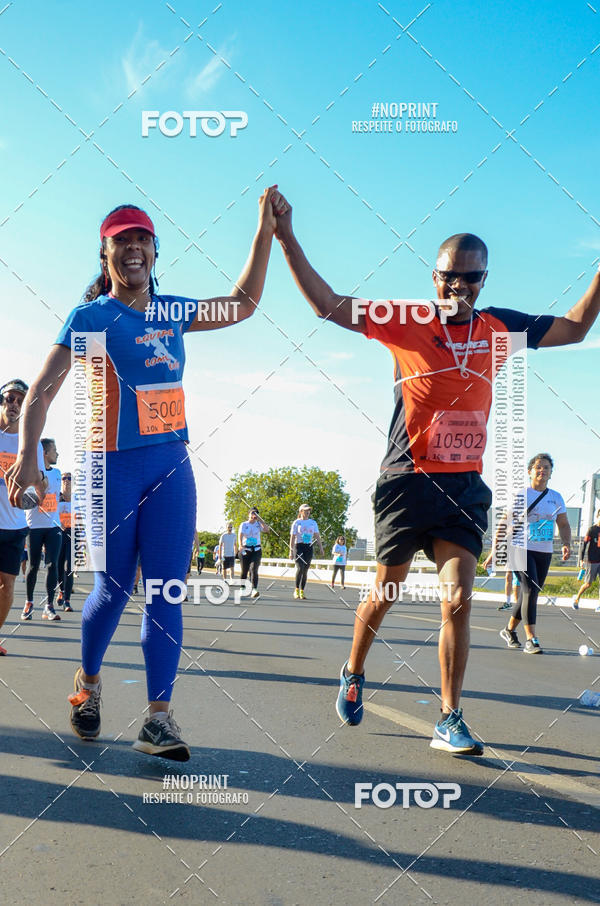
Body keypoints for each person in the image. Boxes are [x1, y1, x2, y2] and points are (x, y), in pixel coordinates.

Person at [274, 196, 600, 755]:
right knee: (387, 589)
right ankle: (353, 669)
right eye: (451, 276)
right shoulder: (405, 320)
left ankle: (450, 717)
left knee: (458, 600)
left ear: (484, 280)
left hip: (463, 486)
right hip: (406, 480)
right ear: (436, 276)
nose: (460, 288)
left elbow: (573, 329)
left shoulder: (500, 329)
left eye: (471, 279)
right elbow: (328, 305)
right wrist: (286, 238)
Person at [6, 187, 284, 759]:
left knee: (166, 590)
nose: (134, 249)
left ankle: (159, 718)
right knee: (112, 588)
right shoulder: (91, 316)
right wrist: (30, 457)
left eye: (142, 241)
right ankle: (88, 684)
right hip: (109, 471)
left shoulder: (172, 310)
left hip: (170, 465)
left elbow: (243, 304)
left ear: (155, 252)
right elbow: (41, 391)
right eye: (122, 242)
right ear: (105, 255)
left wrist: (265, 232)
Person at [494, 454, 570, 653]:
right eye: (538, 467)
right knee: (529, 590)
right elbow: (504, 523)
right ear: (530, 471)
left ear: (551, 473)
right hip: (519, 548)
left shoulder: (556, 497)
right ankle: (531, 639)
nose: (542, 471)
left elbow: (563, 524)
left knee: (532, 592)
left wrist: (566, 543)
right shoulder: (520, 495)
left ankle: (509, 630)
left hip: (543, 551)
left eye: (546, 467)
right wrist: (496, 549)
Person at [0, 380, 45, 655]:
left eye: (20, 400)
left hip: (15, 526)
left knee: (6, 586)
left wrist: (38, 487)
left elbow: (39, 489)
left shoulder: (32, 444)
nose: (14, 404)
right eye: (9, 398)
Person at [21, 437, 62, 622]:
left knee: (52, 565)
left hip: (53, 526)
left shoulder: (58, 473)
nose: (57, 453)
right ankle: (29, 603)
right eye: (54, 450)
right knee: (33, 566)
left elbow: (52, 492)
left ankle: (49, 606)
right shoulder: (31, 474)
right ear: (44, 453)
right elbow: (38, 492)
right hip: (34, 526)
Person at [289, 504, 324, 599]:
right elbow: (292, 537)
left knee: (305, 570)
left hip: (308, 547)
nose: (308, 512)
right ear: (301, 512)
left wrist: (321, 548)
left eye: (308, 510)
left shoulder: (313, 523)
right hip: (299, 546)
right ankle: (296, 589)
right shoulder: (296, 523)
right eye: (305, 511)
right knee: (300, 567)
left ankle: (302, 591)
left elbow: (317, 536)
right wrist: (291, 551)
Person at [238, 508, 271, 599]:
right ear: (248, 514)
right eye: (253, 513)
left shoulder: (258, 524)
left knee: (254, 569)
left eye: (256, 513)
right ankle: (242, 587)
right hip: (245, 550)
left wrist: (260, 520)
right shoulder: (244, 524)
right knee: (244, 570)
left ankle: (254, 589)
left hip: (256, 550)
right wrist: (240, 545)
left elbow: (267, 530)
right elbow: (240, 535)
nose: (254, 515)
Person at [572, 508, 600, 610]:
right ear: (597, 516)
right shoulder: (592, 530)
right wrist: (581, 559)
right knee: (588, 584)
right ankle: (576, 599)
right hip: (591, 560)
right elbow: (584, 545)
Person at [56, 472, 74, 611]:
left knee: (70, 568)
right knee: (59, 566)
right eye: (64, 478)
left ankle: (67, 600)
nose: (67, 481)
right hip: (58, 534)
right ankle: (61, 590)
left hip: (74, 534)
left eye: (69, 478)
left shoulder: (78, 499)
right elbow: (49, 515)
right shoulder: (56, 497)